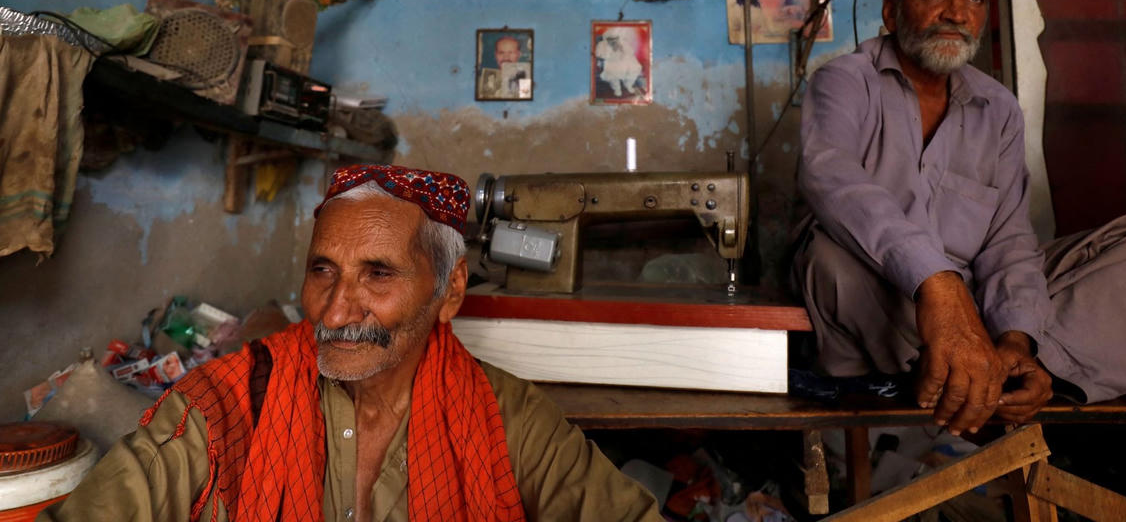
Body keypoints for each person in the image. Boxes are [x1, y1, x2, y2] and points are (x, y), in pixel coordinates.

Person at [41, 165, 661, 521]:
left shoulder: (509, 420)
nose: (336, 310)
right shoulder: (229, 402)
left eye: (379, 274)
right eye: (322, 271)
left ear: (448, 293)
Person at [792, 0, 1126, 437]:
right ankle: (955, 371)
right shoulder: (844, 80)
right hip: (891, 298)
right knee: (831, 261)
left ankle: (1017, 370)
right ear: (893, 12)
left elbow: (1008, 240)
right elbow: (831, 177)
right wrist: (935, 283)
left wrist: (1018, 335)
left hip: (979, 302)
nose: (957, 14)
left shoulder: (998, 108)